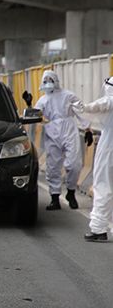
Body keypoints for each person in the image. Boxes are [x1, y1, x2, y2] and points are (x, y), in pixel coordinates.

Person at [34, 70, 91, 210]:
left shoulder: (68, 95)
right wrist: (29, 104)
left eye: (50, 79)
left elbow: (80, 111)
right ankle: (54, 198)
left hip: (69, 129)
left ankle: (70, 192)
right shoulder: (42, 100)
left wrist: (87, 129)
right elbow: (35, 115)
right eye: (45, 80)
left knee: (74, 164)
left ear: (56, 80)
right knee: (53, 166)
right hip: (52, 131)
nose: (48, 83)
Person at [75, 77, 113, 242]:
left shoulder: (109, 101)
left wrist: (80, 107)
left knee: (102, 185)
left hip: (109, 148)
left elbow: (95, 107)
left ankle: (98, 229)